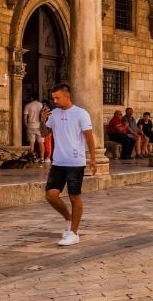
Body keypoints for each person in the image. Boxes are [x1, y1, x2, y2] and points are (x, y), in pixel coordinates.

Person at [40, 83, 96, 246]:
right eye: (53, 98)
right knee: (51, 195)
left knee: (74, 196)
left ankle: (74, 232)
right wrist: (42, 120)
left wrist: (92, 158)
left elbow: (89, 137)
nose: (55, 101)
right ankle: (68, 217)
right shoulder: (54, 114)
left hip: (75, 162)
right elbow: (44, 133)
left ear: (67, 96)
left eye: (57, 98)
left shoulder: (81, 114)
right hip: (58, 162)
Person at [23, 96, 44, 161]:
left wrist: (26, 125)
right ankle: (42, 158)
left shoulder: (28, 105)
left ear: (31, 98)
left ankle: (31, 158)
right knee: (41, 143)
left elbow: (25, 117)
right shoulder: (41, 105)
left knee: (31, 143)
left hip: (30, 126)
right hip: (39, 126)